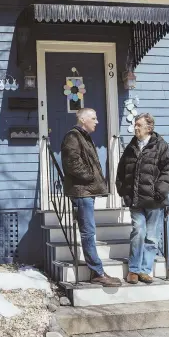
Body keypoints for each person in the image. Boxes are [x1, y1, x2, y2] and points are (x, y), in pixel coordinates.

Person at [61, 108, 122, 287]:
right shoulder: (73, 137)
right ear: (82, 119)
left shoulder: (84, 137)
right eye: (93, 118)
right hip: (82, 191)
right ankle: (97, 272)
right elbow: (71, 163)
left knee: (89, 231)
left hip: (86, 191)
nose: (97, 121)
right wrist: (90, 176)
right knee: (88, 232)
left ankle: (97, 270)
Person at [116, 113, 169, 284]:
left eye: (139, 125)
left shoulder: (161, 146)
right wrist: (123, 192)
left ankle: (145, 270)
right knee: (138, 232)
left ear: (149, 128)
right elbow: (121, 171)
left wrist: (161, 190)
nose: (135, 127)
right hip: (135, 200)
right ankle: (133, 270)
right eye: (135, 124)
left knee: (152, 237)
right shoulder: (131, 147)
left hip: (154, 200)